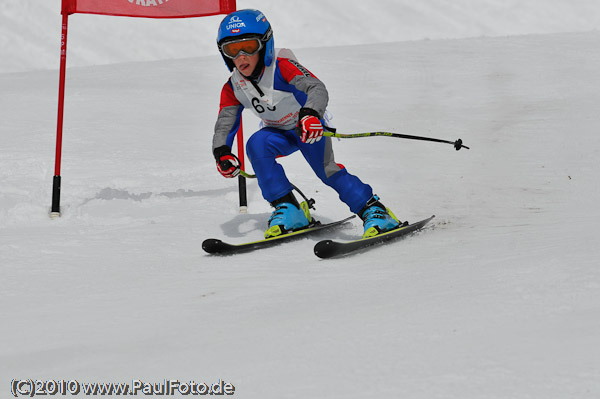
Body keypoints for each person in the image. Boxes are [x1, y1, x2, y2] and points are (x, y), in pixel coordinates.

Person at [212, 9, 400, 239]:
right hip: (278, 134)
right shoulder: (233, 86)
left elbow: (316, 87)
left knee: (326, 172)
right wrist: (221, 152)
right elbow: (225, 122)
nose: (241, 56)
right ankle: (289, 209)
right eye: (232, 49)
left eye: (249, 47)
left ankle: (375, 210)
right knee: (256, 144)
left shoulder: (282, 67)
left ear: (265, 45)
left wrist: (311, 114)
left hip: (307, 129)